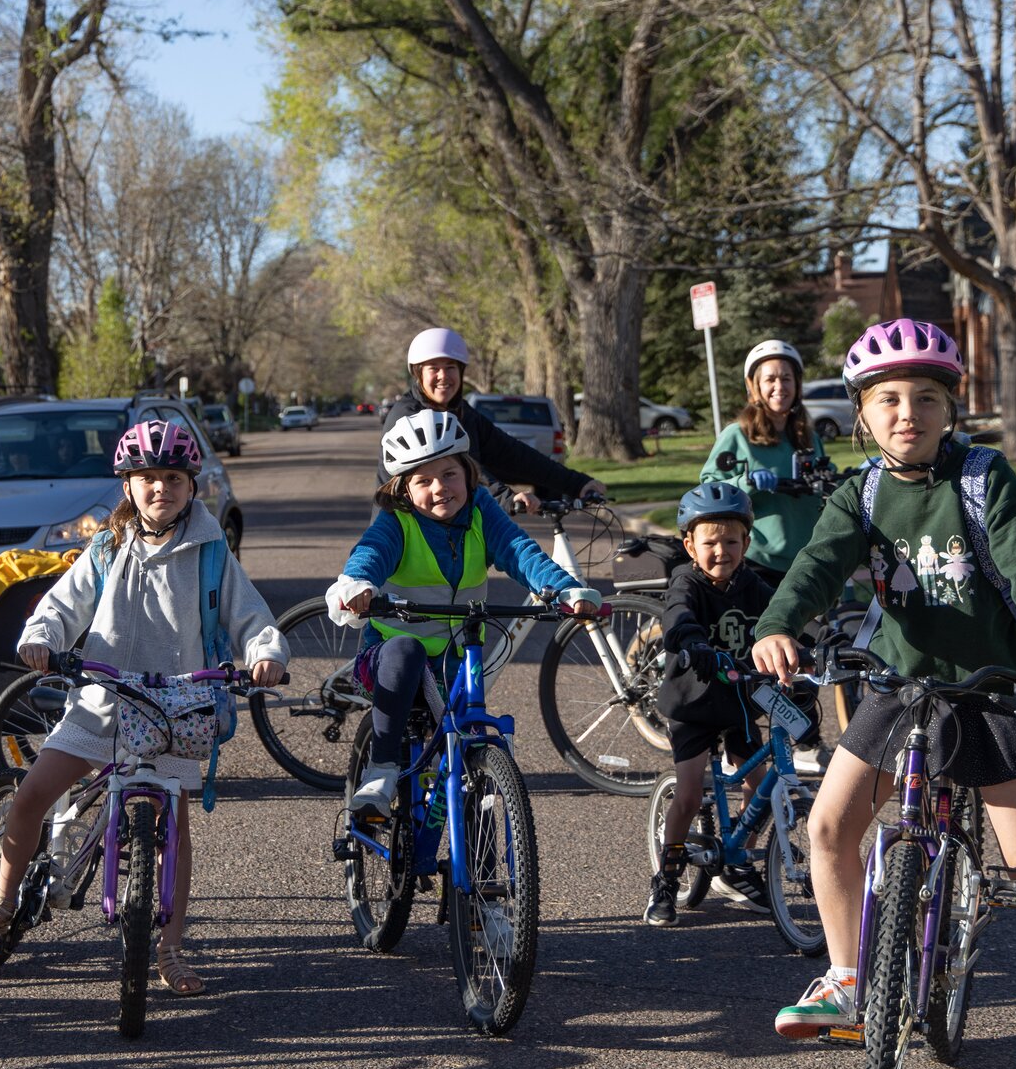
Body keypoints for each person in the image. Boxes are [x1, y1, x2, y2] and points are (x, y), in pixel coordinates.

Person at [747, 319, 1016, 1069]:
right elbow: (815, 568)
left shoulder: (985, 481)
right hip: (901, 686)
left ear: (951, 408)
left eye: (924, 397)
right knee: (829, 828)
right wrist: (777, 625)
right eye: (887, 399)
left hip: (996, 691)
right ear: (861, 413)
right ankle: (849, 979)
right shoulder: (861, 493)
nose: (906, 413)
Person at [0, 419, 286, 995]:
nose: (161, 488)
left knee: (173, 830)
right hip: (101, 701)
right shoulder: (107, 547)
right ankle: (2, 903)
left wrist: (266, 653)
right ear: (127, 486)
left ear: (192, 485)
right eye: (147, 478)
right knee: (31, 796)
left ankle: (170, 947)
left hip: (173, 709)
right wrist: (42, 637)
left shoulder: (211, 553)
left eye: (173, 478)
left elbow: (251, 616)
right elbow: (61, 605)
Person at [329, 410, 603, 819]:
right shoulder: (397, 522)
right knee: (405, 649)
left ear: (468, 473)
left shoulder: (480, 509)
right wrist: (357, 585)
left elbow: (519, 551)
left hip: (455, 659)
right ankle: (380, 771)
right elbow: (369, 554)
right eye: (423, 481)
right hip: (389, 662)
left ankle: (478, 840)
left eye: (449, 474)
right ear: (403, 490)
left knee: (468, 747)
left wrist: (565, 589)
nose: (440, 488)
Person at [643, 481, 777, 926]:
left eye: (732, 542)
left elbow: (782, 615)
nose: (722, 551)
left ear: (746, 543)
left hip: (738, 700)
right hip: (694, 703)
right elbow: (677, 613)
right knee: (688, 793)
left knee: (760, 783)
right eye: (710, 543)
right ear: (690, 546)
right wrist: (690, 639)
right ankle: (666, 878)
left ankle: (738, 863)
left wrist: (817, 637)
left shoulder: (752, 584)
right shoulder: (687, 581)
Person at [380, 327, 604, 512]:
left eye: (450, 367)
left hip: (453, 529)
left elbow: (514, 454)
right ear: (418, 374)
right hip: (406, 533)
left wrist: (577, 483)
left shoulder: (462, 413)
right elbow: (463, 469)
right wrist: (506, 498)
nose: (443, 376)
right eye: (433, 369)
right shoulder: (409, 418)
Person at [697, 340, 825, 586]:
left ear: (797, 384)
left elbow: (826, 483)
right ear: (753, 386)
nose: (780, 386)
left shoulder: (809, 437)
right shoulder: (737, 435)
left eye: (786, 378)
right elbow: (709, 489)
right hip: (758, 560)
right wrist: (746, 482)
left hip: (807, 556)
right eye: (770, 379)